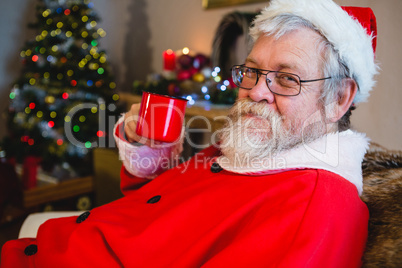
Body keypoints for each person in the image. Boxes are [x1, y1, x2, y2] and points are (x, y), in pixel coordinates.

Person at [1, 0, 378, 267]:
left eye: (286, 78)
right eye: (251, 71)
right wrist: (149, 149)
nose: (256, 91)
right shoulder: (256, 149)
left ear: (339, 98)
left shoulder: (314, 208)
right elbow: (156, 214)